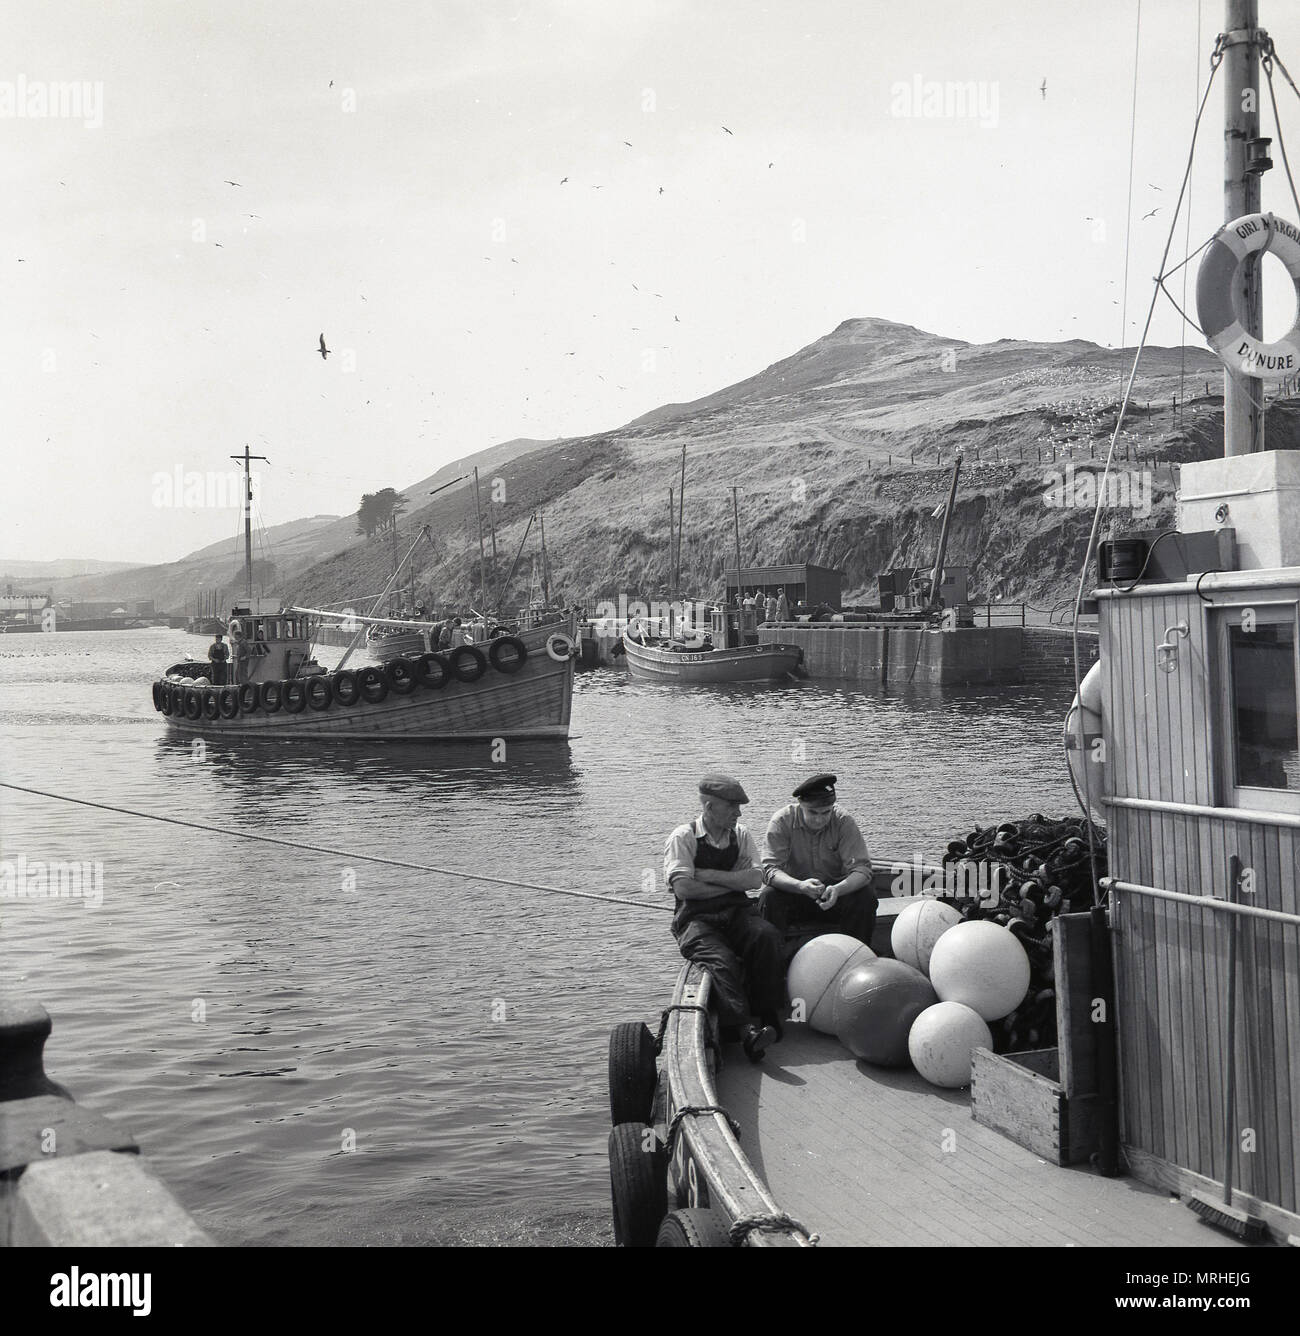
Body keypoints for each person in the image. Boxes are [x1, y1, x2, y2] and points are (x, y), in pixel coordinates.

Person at [664, 775, 786, 1062]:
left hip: (736, 911)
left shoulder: (740, 835)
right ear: (708, 806)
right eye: (732, 806)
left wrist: (706, 876)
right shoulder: (683, 837)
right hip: (696, 919)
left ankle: (767, 1012)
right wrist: (733, 881)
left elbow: (755, 879)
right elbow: (683, 888)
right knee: (720, 960)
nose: (739, 813)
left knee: (766, 937)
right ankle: (746, 1032)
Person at [759, 773, 877, 954]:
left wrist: (838, 889)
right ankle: (775, 964)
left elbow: (862, 870)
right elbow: (769, 870)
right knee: (769, 897)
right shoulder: (781, 821)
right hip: (795, 894)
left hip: (835, 895)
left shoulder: (843, 821)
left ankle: (858, 957)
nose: (819, 819)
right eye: (812, 812)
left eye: (826, 813)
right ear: (801, 806)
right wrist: (799, 886)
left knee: (865, 897)